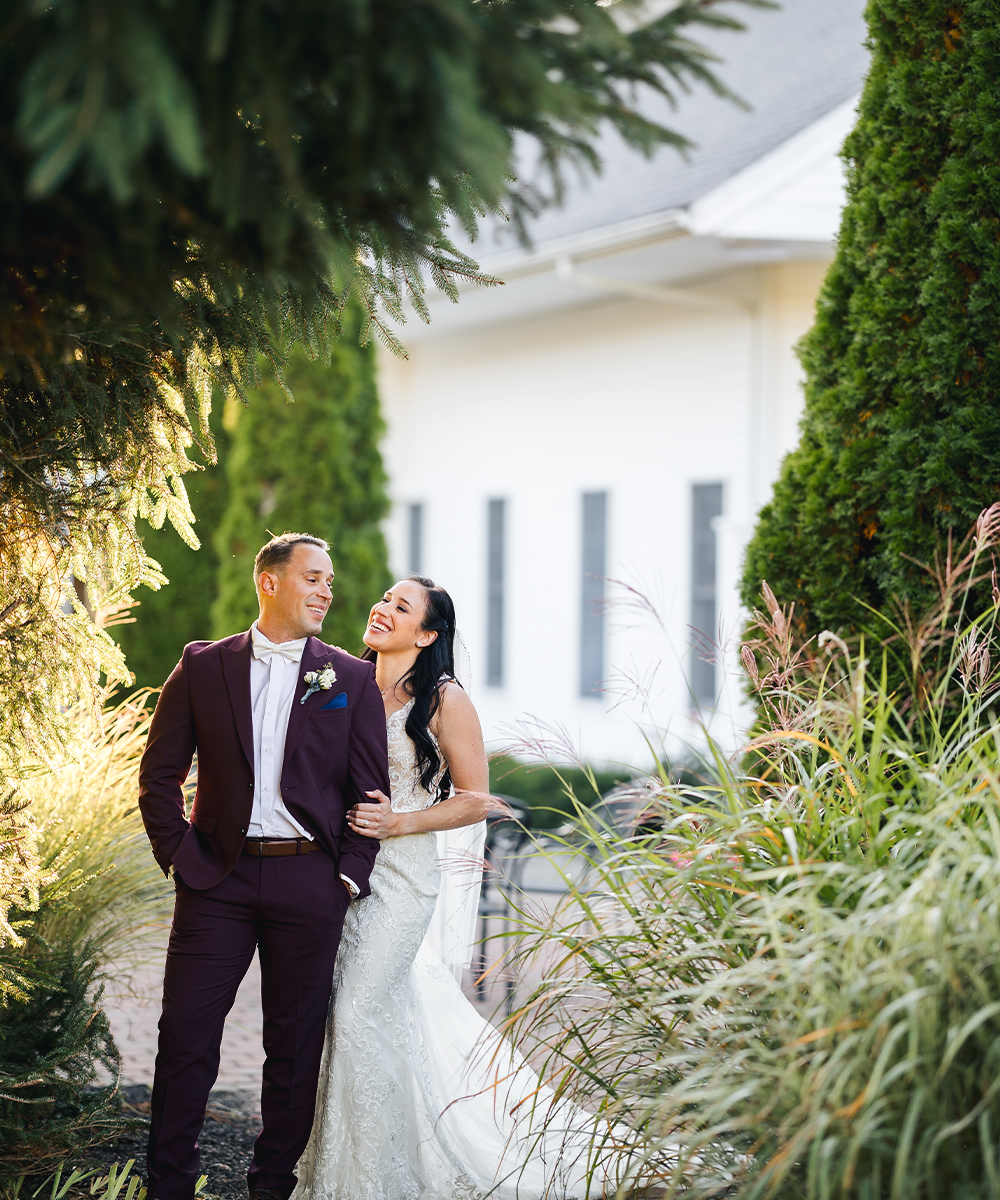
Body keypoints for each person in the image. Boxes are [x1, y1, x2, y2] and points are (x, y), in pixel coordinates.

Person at [295, 576, 624, 1200]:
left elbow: (478, 799)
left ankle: (371, 1182)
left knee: (358, 1009)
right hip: (332, 877)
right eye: (383, 599)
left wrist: (401, 821)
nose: (381, 608)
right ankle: (351, 1160)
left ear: (426, 634)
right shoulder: (341, 681)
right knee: (350, 1016)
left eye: (401, 606)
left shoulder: (445, 700)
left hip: (400, 880)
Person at [137, 532, 390, 1200]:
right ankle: (169, 1184)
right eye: (313, 577)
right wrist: (180, 858)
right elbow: (159, 775)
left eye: (330, 581)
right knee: (185, 1036)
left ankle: (271, 1187)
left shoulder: (351, 678)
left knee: (294, 1047)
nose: (326, 591)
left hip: (311, 882)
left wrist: (347, 875)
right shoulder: (202, 666)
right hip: (215, 881)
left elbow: (371, 792)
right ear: (270, 582)